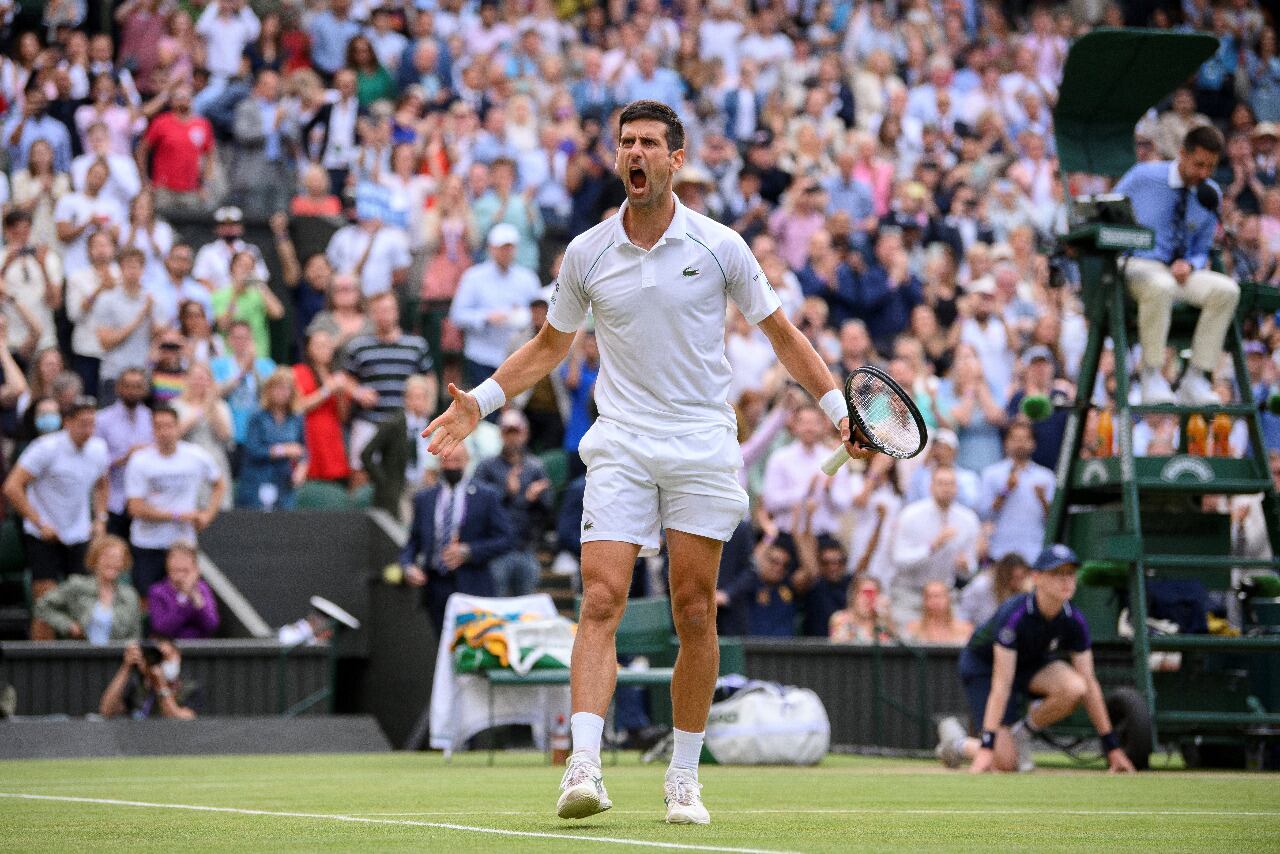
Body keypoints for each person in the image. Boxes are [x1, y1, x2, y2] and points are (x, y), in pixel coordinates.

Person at [422, 101, 870, 825]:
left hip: (700, 442)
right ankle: (585, 766)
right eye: (625, 142)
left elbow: (783, 335)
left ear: (675, 160)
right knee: (600, 599)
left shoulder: (723, 246)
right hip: (623, 440)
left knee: (695, 610)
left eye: (649, 143)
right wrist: (480, 401)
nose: (635, 153)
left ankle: (684, 780)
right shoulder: (586, 252)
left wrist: (836, 413)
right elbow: (547, 345)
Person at [935, 545, 1137, 775]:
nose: (1066, 581)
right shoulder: (1014, 615)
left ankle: (1020, 735)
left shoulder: (1075, 620)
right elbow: (1001, 685)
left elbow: (1089, 682)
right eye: (1056, 573)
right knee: (1005, 764)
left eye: (1070, 573)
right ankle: (957, 744)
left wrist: (1112, 748)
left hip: (1028, 665)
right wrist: (987, 748)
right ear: (1037, 578)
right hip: (985, 668)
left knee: (1076, 687)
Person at [1117, 126, 1240, 405]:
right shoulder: (1143, 176)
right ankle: (1151, 376)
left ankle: (1195, 379)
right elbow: (1105, 211)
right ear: (1182, 153)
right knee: (1159, 286)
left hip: (1180, 274)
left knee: (1227, 290)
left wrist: (1191, 263)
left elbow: (1202, 247)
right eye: (1199, 164)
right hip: (1139, 263)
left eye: (1211, 166)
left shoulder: (1210, 193)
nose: (1204, 173)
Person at [399, 443, 516, 631]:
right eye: (447, 460)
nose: (451, 466)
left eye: (457, 460)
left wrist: (469, 551)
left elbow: (506, 538)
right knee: (442, 646)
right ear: (439, 463)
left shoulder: (486, 495)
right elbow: (413, 541)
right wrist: (407, 565)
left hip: (473, 583)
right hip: (435, 585)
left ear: (467, 461)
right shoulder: (425, 498)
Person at [4, 396, 109, 602]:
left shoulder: (99, 448)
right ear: (67, 422)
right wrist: (39, 522)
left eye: (92, 424)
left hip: (79, 534)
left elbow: (102, 483)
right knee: (46, 602)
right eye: (83, 424)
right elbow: (12, 487)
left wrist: (100, 519)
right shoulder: (45, 448)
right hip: (43, 534)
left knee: (81, 601)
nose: (88, 430)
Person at [124, 406, 227, 595]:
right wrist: (179, 515)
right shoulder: (140, 460)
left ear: (178, 427)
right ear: (152, 430)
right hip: (148, 542)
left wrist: (207, 515)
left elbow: (219, 484)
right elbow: (135, 508)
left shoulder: (196, 455)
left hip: (182, 543)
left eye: (169, 426)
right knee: (146, 598)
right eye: (159, 427)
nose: (164, 432)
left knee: (184, 594)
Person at [340, 292, 433, 484]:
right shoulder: (358, 346)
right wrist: (357, 392)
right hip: (370, 420)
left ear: (397, 312)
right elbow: (345, 379)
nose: (384, 315)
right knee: (361, 473)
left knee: (417, 475)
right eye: (379, 311)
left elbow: (429, 379)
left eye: (388, 309)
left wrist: (426, 408)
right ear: (371, 315)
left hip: (408, 424)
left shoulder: (416, 345)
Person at [449, 223, 542, 391]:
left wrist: (522, 315)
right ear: (491, 248)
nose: (507, 252)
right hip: (481, 355)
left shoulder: (527, 278)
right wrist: (486, 317)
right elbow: (457, 314)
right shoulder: (474, 277)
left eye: (510, 247)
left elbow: (539, 314)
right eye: (502, 248)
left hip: (517, 356)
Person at [473, 408, 554, 597]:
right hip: (496, 551)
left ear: (525, 434)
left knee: (525, 608)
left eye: (516, 432)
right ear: (500, 434)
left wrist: (535, 499)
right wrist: (506, 493)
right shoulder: (486, 467)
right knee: (496, 605)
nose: (512, 438)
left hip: (526, 548)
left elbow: (549, 512)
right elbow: (476, 507)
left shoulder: (535, 467)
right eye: (507, 432)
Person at [889, 466, 980, 628]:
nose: (946, 488)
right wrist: (932, 547)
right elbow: (899, 560)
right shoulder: (910, 515)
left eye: (951, 484)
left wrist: (965, 566)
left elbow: (970, 570)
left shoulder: (969, 520)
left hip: (946, 596)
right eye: (941, 483)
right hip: (911, 595)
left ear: (957, 488)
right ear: (931, 486)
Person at [32, 534, 142, 642]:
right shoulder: (77, 586)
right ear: (95, 559)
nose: (112, 562)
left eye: (118, 558)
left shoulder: (130, 595)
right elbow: (42, 606)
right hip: (82, 655)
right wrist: (68, 625)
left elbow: (135, 636)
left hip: (116, 656)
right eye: (107, 557)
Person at [90, 247, 160, 403]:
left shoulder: (150, 300)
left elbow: (156, 337)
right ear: (120, 268)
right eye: (128, 266)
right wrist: (139, 318)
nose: (132, 271)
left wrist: (150, 316)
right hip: (114, 375)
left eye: (137, 266)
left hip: (143, 375)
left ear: (143, 269)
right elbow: (105, 342)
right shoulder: (106, 300)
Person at [979, 420, 1055, 565]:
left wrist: (1042, 499)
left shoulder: (1046, 477)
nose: (1020, 443)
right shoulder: (991, 473)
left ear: (1033, 443)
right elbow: (985, 514)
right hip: (1001, 550)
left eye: (1025, 439)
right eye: (1015, 439)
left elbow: (1053, 520)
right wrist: (1006, 490)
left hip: (1034, 550)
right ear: (1006, 442)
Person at [360, 374, 434, 519]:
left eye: (421, 397)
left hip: (423, 486)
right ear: (406, 399)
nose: (417, 402)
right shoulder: (394, 424)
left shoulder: (430, 425)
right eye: (413, 397)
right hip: (399, 488)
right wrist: (383, 481)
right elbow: (366, 453)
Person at [237, 368, 307, 509]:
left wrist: (302, 467)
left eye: (287, 388)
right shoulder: (257, 416)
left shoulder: (296, 418)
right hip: (257, 481)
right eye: (279, 387)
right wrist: (283, 450)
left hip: (284, 483)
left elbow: (303, 449)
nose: (283, 392)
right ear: (269, 390)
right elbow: (253, 450)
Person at [293, 329, 351, 487]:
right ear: (309, 349)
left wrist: (339, 395)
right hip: (309, 437)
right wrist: (327, 390)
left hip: (332, 441)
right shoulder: (299, 372)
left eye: (327, 345)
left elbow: (343, 416)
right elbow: (298, 406)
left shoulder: (336, 376)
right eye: (319, 345)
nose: (324, 349)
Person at [99, 637, 196, 719]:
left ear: (178, 656)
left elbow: (181, 722)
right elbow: (106, 711)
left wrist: (161, 685)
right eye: (157, 658)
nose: (160, 662)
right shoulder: (136, 686)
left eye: (165, 657)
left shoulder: (189, 688)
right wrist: (126, 667)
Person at [147, 542, 220, 639]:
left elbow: (211, 624)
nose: (179, 562)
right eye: (175, 558)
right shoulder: (157, 591)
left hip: (200, 649)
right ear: (168, 564)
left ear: (194, 567)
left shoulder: (203, 588)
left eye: (184, 570)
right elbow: (162, 629)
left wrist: (196, 597)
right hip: (170, 648)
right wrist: (183, 596)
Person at [958, 553, 1030, 627]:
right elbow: (963, 615)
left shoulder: (1023, 589)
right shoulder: (981, 586)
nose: (1020, 582)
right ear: (1004, 575)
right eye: (1016, 578)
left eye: (1022, 577)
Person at [829, 574, 896, 643]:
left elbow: (897, 644)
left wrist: (887, 618)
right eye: (865, 593)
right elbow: (836, 644)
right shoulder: (841, 618)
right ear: (854, 595)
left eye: (873, 594)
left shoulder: (881, 621)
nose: (868, 599)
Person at [903, 580, 974, 644]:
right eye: (929, 597)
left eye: (938, 596)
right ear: (924, 601)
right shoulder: (913, 629)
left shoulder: (965, 629)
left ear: (948, 599)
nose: (934, 601)